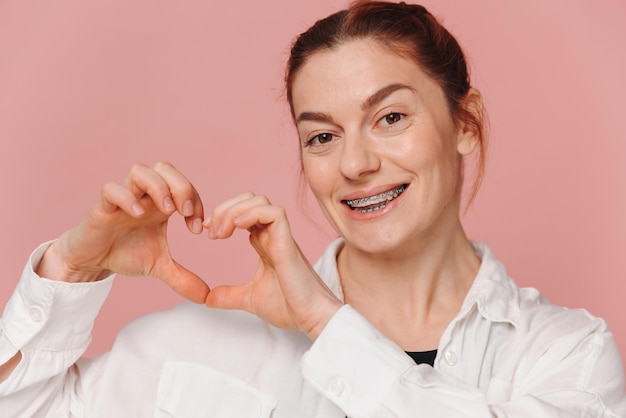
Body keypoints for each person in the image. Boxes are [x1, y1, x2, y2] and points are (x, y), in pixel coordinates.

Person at [0, 1, 624, 416]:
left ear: (464, 122)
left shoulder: (565, 355)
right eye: (322, 136)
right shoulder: (201, 340)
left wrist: (327, 324)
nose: (355, 164)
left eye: (390, 117)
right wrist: (71, 272)